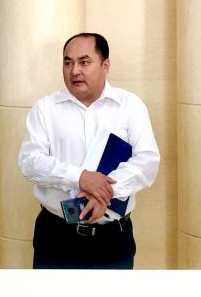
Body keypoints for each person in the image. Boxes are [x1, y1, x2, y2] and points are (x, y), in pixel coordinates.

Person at [18, 33, 160, 269]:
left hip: (113, 238)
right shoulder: (45, 108)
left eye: (84, 62)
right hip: (56, 236)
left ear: (105, 65)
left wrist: (104, 192)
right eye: (68, 62)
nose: (74, 71)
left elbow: (147, 161)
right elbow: (30, 162)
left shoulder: (129, 106)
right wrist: (80, 178)